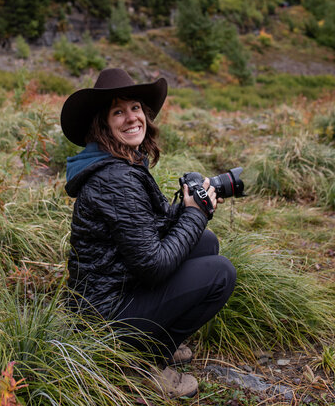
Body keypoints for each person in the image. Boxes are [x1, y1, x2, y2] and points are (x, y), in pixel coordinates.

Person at [60, 68, 236, 399]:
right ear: (103, 123)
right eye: (118, 111)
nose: (131, 118)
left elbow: (145, 227)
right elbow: (153, 265)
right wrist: (197, 214)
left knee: (206, 243)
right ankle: (140, 363)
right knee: (221, 273)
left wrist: (188, 205)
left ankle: (158, 339)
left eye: (135, 108)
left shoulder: (121, 161)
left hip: (112, 291)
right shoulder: (115, 178)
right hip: (105, 318)